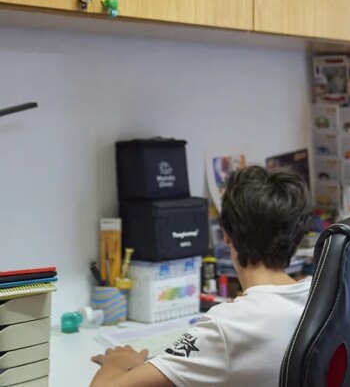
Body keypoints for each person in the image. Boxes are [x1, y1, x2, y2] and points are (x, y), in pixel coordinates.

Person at [89, 165, 313, 387]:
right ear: (297, 238)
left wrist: (118, 363)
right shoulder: (322, 295)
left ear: (226, 234)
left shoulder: (230, 326)